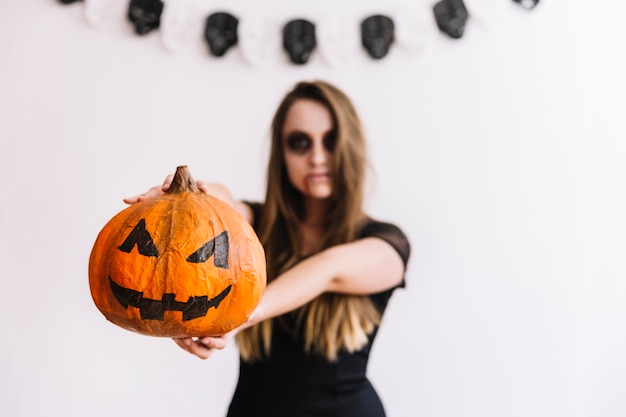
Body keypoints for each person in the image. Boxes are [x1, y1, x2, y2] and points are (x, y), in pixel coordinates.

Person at [124, 80, 411, 417]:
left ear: (351, 147)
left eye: (330, 142)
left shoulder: (386, 242)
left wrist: (241, 315)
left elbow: (328, 271)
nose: (317, 158)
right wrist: (188, 195)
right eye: (300, 143)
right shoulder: (255, 228)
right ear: (282, 153)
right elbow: (222, 203)